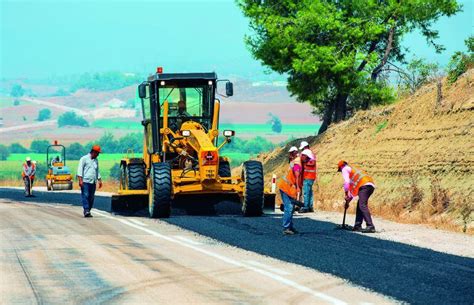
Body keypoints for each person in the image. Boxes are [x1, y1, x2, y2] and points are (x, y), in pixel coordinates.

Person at [338, 160, 376, 233]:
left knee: (362, 205)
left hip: (364, 185)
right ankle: (357, 226)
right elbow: (353, 192)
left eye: (340, 170)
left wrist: (346, 194)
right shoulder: (353, 171)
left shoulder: (345, 169)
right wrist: (348, 201)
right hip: (369, 185)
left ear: (341, 167)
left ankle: (370, 226)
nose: (341, 172)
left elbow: (346, 183)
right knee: (360, 205)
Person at [277, 146, 303, 235]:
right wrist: (298, 188)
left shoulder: (295, 161)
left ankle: (290, 227)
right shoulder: (297, 163)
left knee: (290, 208)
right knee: (289, 207)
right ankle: (286, 228)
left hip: (288, 188)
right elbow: (296, 177)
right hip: (286, 187)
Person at [77, 145, 103, 217]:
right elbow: (80, 169)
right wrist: (80, 180)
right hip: (85, 181)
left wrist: (99, 180)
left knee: (91, 197)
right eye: (97, 153)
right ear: (93, 152)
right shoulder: (84, 159)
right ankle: (86, 210)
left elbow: (97, 170)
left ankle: (88, 210)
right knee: (85, 195)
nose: (98, 155)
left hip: (93, 182)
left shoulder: (96, 160)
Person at [299, 141, 317, 213]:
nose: (302, 150)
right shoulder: (311, 155)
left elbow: (310, 163)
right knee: (310, 192)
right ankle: (310, 206)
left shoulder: (308, 154)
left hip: (308, 176)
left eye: (302, 148)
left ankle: (306, 207)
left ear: (305, 147)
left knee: (306, 192)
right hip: (311, 177)